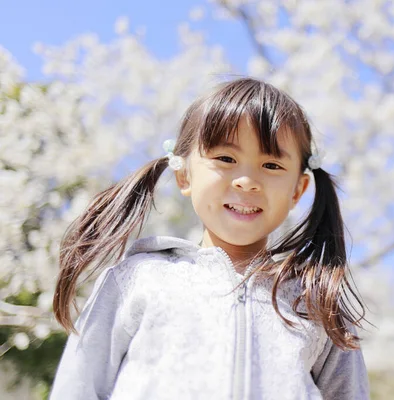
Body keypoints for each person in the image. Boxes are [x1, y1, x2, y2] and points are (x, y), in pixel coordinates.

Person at [49, 77, 370, 400]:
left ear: (298, 190)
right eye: (226, 159)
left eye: (271, 165)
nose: (247, 181)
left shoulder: (315, 306)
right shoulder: (136, 280)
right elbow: (78, 388)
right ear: (184, 175)